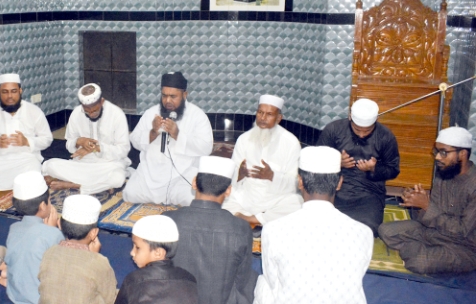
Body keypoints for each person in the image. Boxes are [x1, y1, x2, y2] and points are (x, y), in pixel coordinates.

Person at [253, 146, 373, 304]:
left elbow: (272, 280)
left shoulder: (274, 229)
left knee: (261, 283)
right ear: (339, 183)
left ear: (300, 181)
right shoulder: (363, 232)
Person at [164, 156, 256, 304]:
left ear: (194, 183)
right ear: (228, 190)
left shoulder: (167, 219)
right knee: (253, 276)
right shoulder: (241, 227)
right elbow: (242, 278)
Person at [378, 126, 476, 274]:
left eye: (443, 152)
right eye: (437, 152)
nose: (437, 157)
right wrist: (415, 202)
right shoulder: (445, 172)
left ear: (462, 154)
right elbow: (428, 215)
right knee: (385, 231)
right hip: (433, 231)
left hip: (462, 246)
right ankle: (425, 250)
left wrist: (426, 206)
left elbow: (462, 231)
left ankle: (421, 251)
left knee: (419, 262)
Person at [39, 194, 117, 304]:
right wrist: (93, 256)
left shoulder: (49, 252)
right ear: (93, 233)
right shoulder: (99, 262)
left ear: (60, 224)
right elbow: (109, 300)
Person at [123, 71, 213, 206]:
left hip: (182, 175)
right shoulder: (151, 113)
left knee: (192, 200)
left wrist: (177, 134)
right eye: (164, 95)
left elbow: (206, 148)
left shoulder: (197, 116)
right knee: (129, 194)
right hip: (150, 174)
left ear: (185, 95)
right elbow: (134, 140)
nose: (168, 101)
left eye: (173, 96)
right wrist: (153, 132)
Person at [316, 98, 400, 235]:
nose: (361, 135)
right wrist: (336, 162)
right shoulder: (333, 129)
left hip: (369, 192)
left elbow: (393, 170)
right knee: (321, 223)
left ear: (376, 121)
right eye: (357, 129)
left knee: (367, 229)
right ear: (350, 117)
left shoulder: (385, 136)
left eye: (367, 131)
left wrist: (374, 169)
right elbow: (315, 160)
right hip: (335, 189)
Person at [222, 95, 303, 226]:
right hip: (246, 196)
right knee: (221, 194)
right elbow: (231, 176)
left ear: (279, 118)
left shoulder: (291, 143)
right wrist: (239, 174)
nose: (263, 118)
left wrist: (272, 176)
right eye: (260, 112)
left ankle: (249, 220)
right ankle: (258, 220)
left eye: (269, 114)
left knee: (297, 202)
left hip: (275, 200)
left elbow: (294, 184)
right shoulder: (244, 139)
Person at [42, 83, 130, 194]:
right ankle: (97, 186)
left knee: (117, 179)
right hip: (82, 163)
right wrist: (79, 141)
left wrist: (97, 148)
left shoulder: (117, 114)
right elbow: (69, 144)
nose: (91, 114)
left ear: (102, 102)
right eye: (87, 111)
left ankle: (75, 185)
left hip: (108, 165)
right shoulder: (76, 113)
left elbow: (122, 150)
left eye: (95, 111)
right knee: (49, 165)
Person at [0, 73, 53, 192]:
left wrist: (27, 141)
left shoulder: (34, 111)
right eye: (5, 92)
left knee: (31, 178)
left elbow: (47, 139)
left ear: (20, 91)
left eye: (13, 91)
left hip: (26, 159)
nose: (9, 96)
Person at [4, 171, 63, 304]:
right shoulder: (52, 234)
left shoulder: (13, 228)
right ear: (43, 205)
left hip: (15, 296)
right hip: (42, 303)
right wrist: (55, 231)